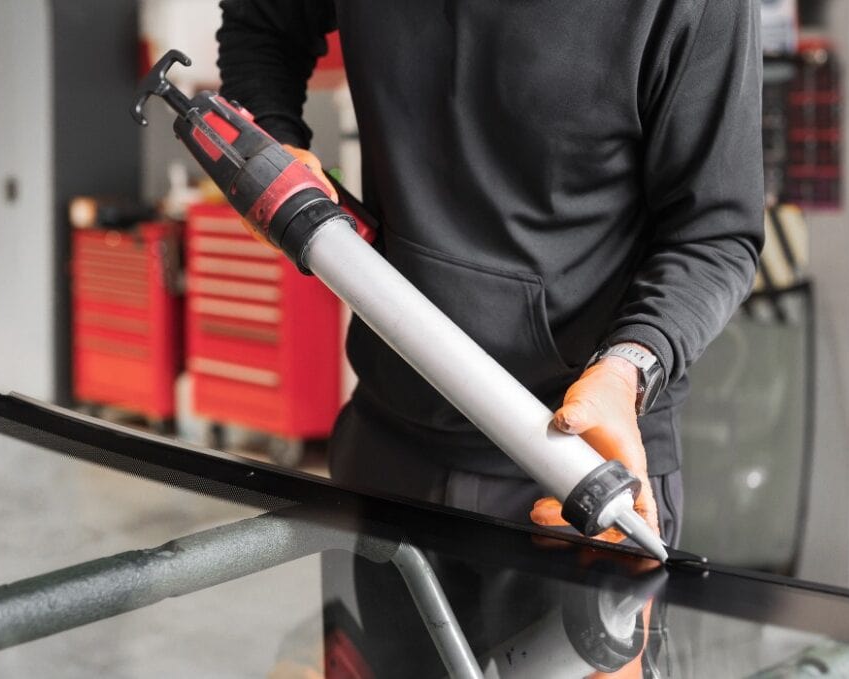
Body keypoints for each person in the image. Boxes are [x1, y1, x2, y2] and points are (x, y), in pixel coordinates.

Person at [217, 0, 763, 551]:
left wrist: (630, 367)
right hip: (386, 444)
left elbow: (715, 233)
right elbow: (260, 22)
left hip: (578, 472)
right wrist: (272, 146)